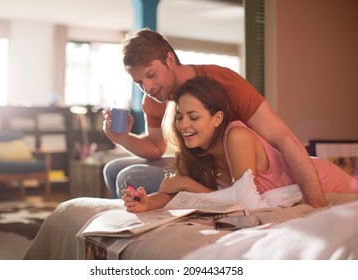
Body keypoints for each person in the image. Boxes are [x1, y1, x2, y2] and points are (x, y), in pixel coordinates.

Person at [103, 28, 327, 208]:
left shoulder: (224, 84)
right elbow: (155, 148)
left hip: (245, 169)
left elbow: (283, 138)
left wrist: (317, 207)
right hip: (205, 163)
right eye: (139, 83)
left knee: (130, 175)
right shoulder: (154, 99)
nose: (148, 88)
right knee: (112, 168)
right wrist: (122, 137)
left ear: (170, 60)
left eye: (151, 75)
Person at [122, 76, 358, 213]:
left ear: (217, 119)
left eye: (193, 117)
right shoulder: (193, 150)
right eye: (180, 116)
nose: (184, 125)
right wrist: (148, 202)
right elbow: (174, 190)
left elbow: (245, 202)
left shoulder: (237, 136)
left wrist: (188, 184)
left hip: (326, 181)